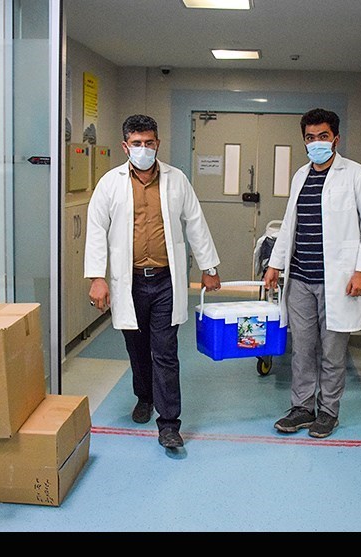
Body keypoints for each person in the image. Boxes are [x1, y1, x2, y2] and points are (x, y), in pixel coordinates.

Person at [84, 114, 221, 450]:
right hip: (128, 281)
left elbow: (195, 222)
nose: (143, 149)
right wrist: (97, 277)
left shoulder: (176, 180)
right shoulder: (110, 183)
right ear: (125, 146)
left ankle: (169, 424)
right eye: (136, 143)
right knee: (137, 349)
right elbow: (96, 230)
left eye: (148, 143)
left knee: (165, 352)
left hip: (164, 281)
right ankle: (144, 396)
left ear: (157, 143)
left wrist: (209, 266)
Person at [263, 108, 361, 439]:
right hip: (300, 279)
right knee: (302, 350)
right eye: (310, 138)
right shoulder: (300, 175)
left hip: (338, 282)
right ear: (304, 141)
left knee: (332, 352)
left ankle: (328, 411)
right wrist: (275, 264)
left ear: (336, 139)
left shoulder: (355, 174)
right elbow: (290, 224)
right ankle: (302, 408)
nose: (316, 143)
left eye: (323, 136)